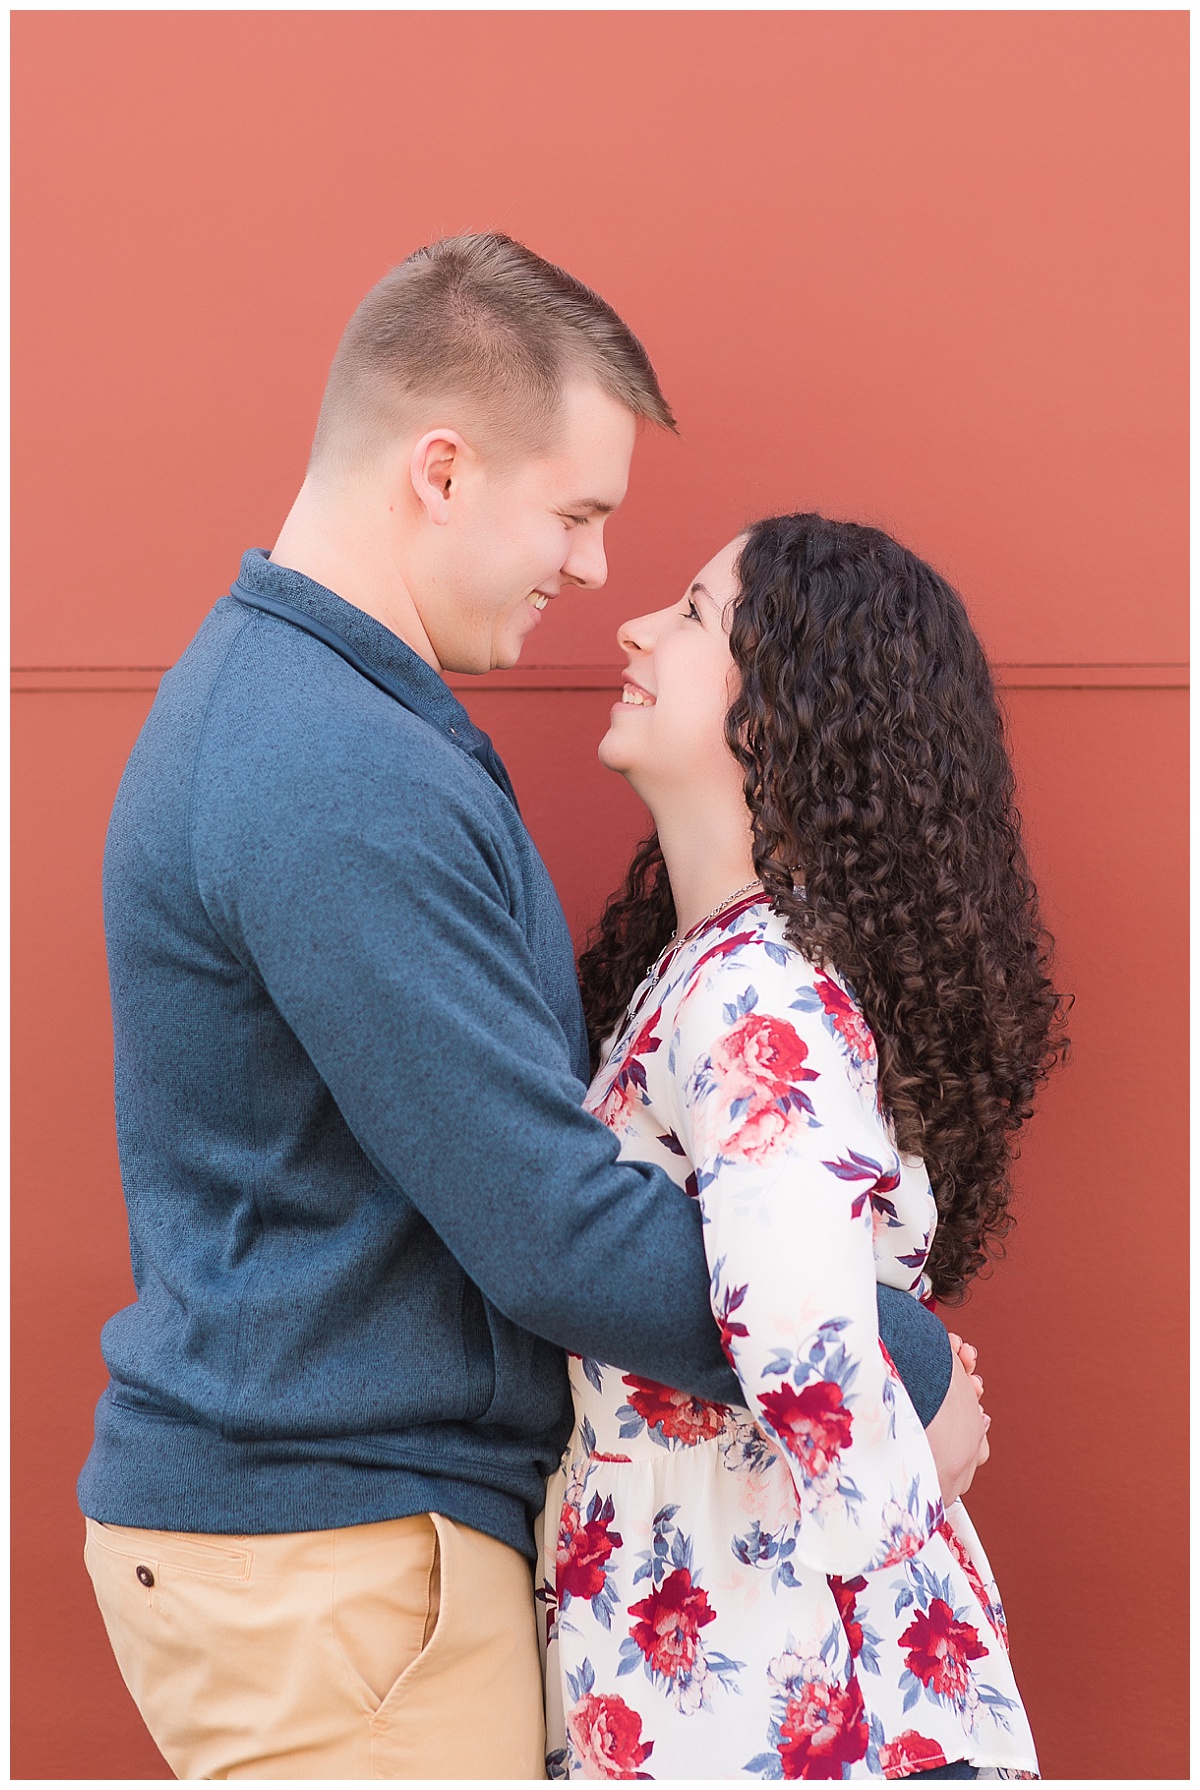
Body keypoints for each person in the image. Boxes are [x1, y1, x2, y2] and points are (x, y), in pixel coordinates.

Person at [78, 236, 982, 1780]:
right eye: (576, 513)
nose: (596, 572)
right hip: (339, 1558)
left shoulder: (321, 717)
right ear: (440, 470)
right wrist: (901, 1358)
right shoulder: (332, 763)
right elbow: (553, 1229)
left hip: (346, 1545)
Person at [540, 518, 1066, 1780]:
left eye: (692, 615)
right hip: (746, 1649)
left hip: (784, 1683)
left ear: (786, 708)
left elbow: (796, 1318)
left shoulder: (756, 985)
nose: (634, 627)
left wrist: (897, 1495)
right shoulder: (714, 970)